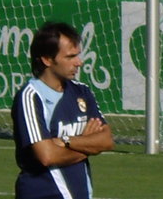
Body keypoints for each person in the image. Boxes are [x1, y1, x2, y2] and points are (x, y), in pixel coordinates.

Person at [11, 21, 114, 199]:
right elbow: (47, 155)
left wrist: (65, 140)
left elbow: (106, 140)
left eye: (78, 55)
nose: (79, 62)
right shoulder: (31, 96)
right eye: (70, 57)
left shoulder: (82, 91)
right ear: (47, 59)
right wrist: (88, 145)